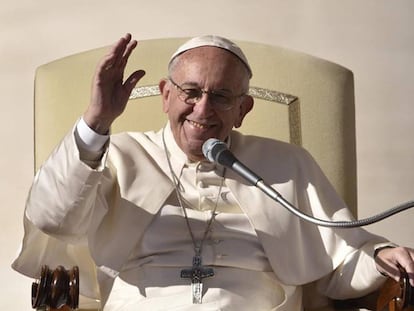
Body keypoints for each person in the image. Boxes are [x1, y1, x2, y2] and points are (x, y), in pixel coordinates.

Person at [13, 33, 414, 310]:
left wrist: (380, 257)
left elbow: (339, 259)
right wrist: (96, 122)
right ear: (166, 96)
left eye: (221, 96)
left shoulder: (288, 164)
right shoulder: (117, 153)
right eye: (190, 92)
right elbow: (54, 218)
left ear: (243, 110)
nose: (203, 110)